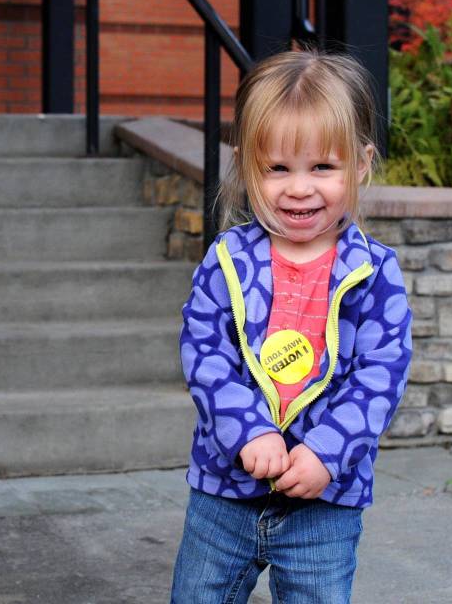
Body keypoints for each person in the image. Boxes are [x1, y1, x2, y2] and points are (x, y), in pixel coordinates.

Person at [170, 49, 412, 604]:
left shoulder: (374, 273)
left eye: (322, 167)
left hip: (326, 502)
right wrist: (247, 432)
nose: (298, 188)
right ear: (249, 169)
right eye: (277, 168)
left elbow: (381, 376)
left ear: (361, 165)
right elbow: (204, 352)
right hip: (224, 492)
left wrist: (327, 453)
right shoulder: (229, 260)